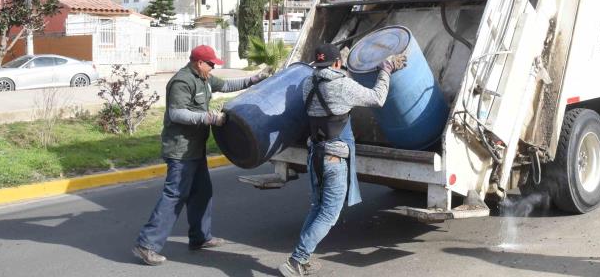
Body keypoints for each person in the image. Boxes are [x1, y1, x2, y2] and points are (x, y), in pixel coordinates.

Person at [133, 44, 272, 266]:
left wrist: (254, 79)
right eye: (211, 64)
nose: (213, 67)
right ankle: (147, 245)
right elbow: (176, 113)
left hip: (195, 149)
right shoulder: (182, 81)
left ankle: (200, 238)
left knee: (202, 192)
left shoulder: (204, 78)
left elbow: (226, 85)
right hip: (180, 150)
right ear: (199, 63)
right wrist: (208, 118)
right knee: (175, 196)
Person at [278, 43, 405, 277]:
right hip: (334, 159)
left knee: (317, 208)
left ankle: (301, 259)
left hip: (315, 154)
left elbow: (331, 78)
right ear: (337, 63)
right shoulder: (342, 85)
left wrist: (344, 66)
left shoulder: (308, 83)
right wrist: (385, 70)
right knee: (329, 214)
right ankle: (296, 261)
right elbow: (377, 99)